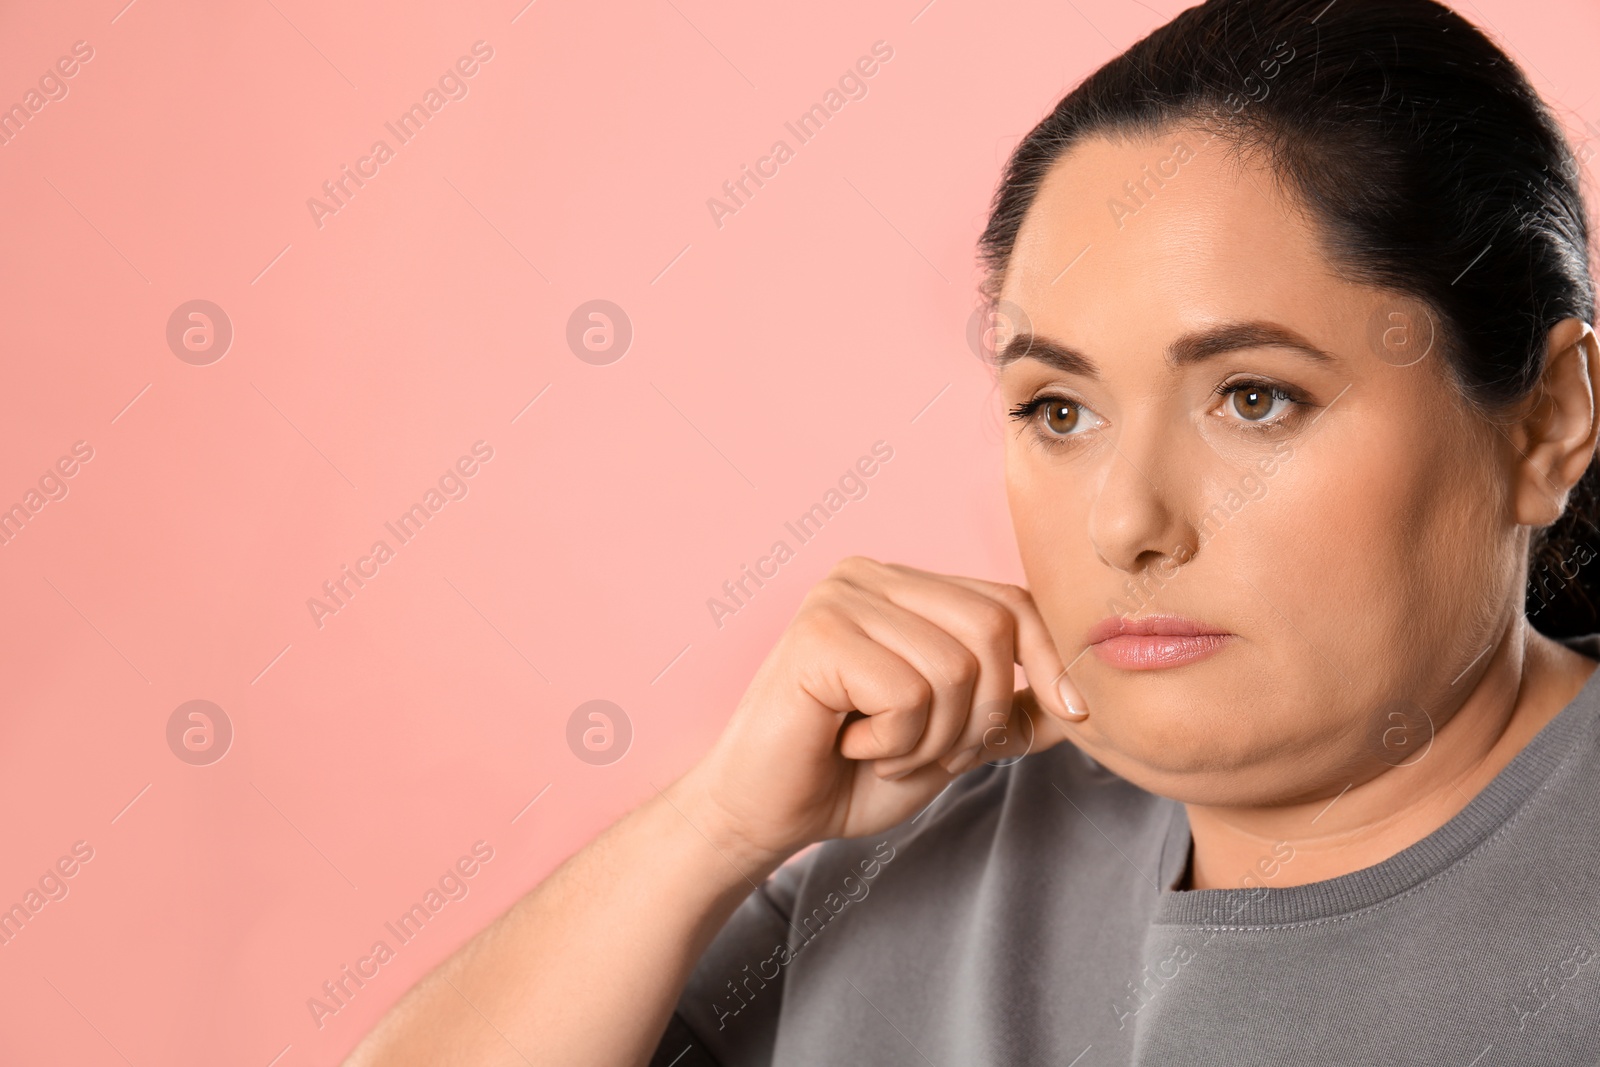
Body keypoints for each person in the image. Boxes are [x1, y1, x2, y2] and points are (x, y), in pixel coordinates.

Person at [343, 0, 1600, 1062]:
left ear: (1544, 422)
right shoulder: (924, 847)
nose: (1125, 521)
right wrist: (715, 826)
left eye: (1253, 398)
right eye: (1058, 409)